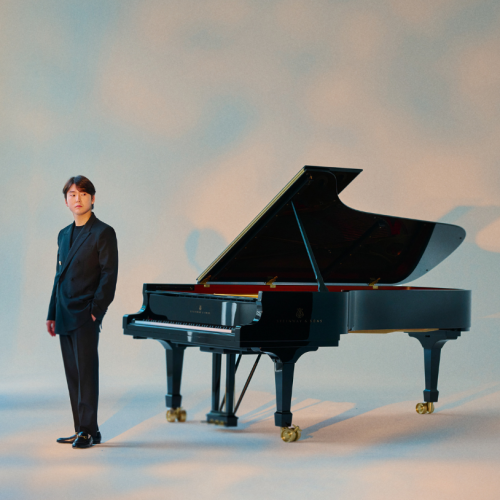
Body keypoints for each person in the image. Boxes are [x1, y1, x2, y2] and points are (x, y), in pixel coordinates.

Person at [46, 176, 118, 449]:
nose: (78, 199)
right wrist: (51, 312)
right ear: (66, 201)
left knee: (87, 372)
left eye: (83, 194)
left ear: (93, 198)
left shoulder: (103, 232)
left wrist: (96, 311)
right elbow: (58, 276)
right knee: (73, 374)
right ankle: (83, 429)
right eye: (72, 195)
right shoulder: (63, 234)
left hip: (86, 312)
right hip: (64, 312)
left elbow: (109, 275)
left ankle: (87, 430)